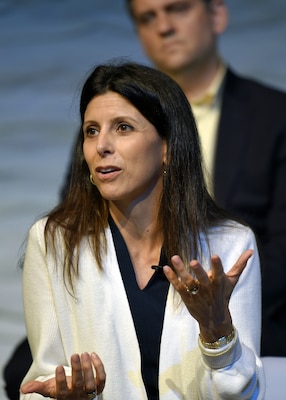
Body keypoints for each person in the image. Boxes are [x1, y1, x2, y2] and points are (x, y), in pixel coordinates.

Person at [19, 61, 264, 400]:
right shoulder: (54, 241)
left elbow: (243, 394)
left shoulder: (231, 244)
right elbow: (40, 384)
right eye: (91, 130)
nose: (101, 145)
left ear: (167, 147)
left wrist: (217, 331)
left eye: (122, 128)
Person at [126, 0, 286, 356]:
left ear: (217, 14)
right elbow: (84, 228)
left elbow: (282, 251)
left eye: (177, 9)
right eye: (147, 18)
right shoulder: (111, 127)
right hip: (136, 302)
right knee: (22, 371)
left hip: (246, 303)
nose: (163, 27)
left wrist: (211, 305)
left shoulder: (275, 116)